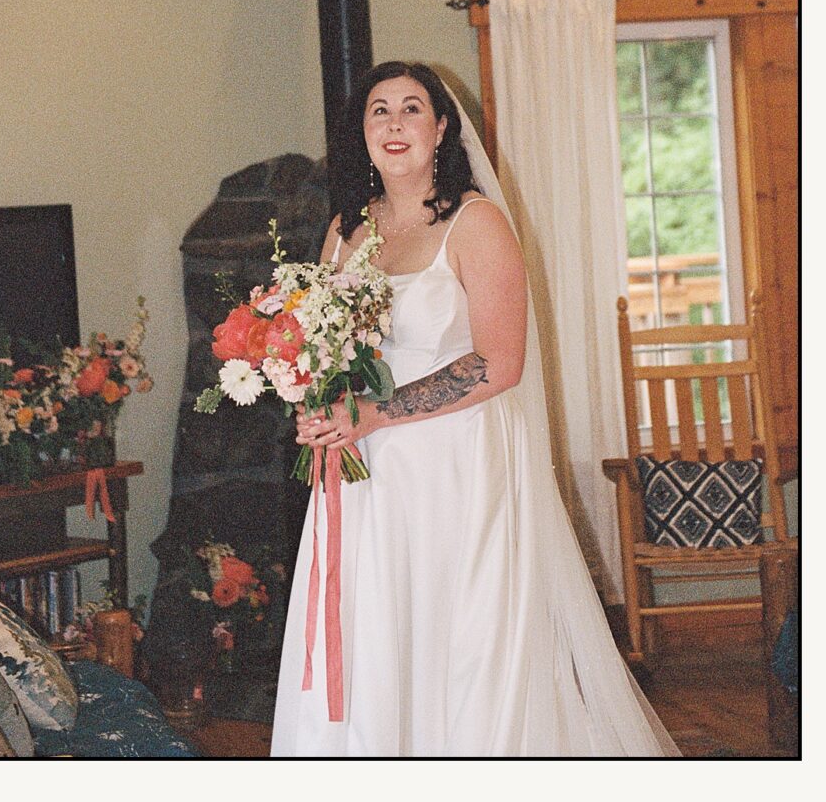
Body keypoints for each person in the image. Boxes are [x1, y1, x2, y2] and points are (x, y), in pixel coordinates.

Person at [270, 61, 676, 758]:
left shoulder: (475, 222)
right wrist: (320, 405)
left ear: (440, 128)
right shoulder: (346, 230)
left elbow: (498, 362)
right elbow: (325, 348)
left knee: (457, 639)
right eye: (378, 111)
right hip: (365, 472)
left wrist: (377, 414)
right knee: (373, 631)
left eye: (411, 109)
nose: (394, 124)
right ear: (361, 131)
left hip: (455, 467)